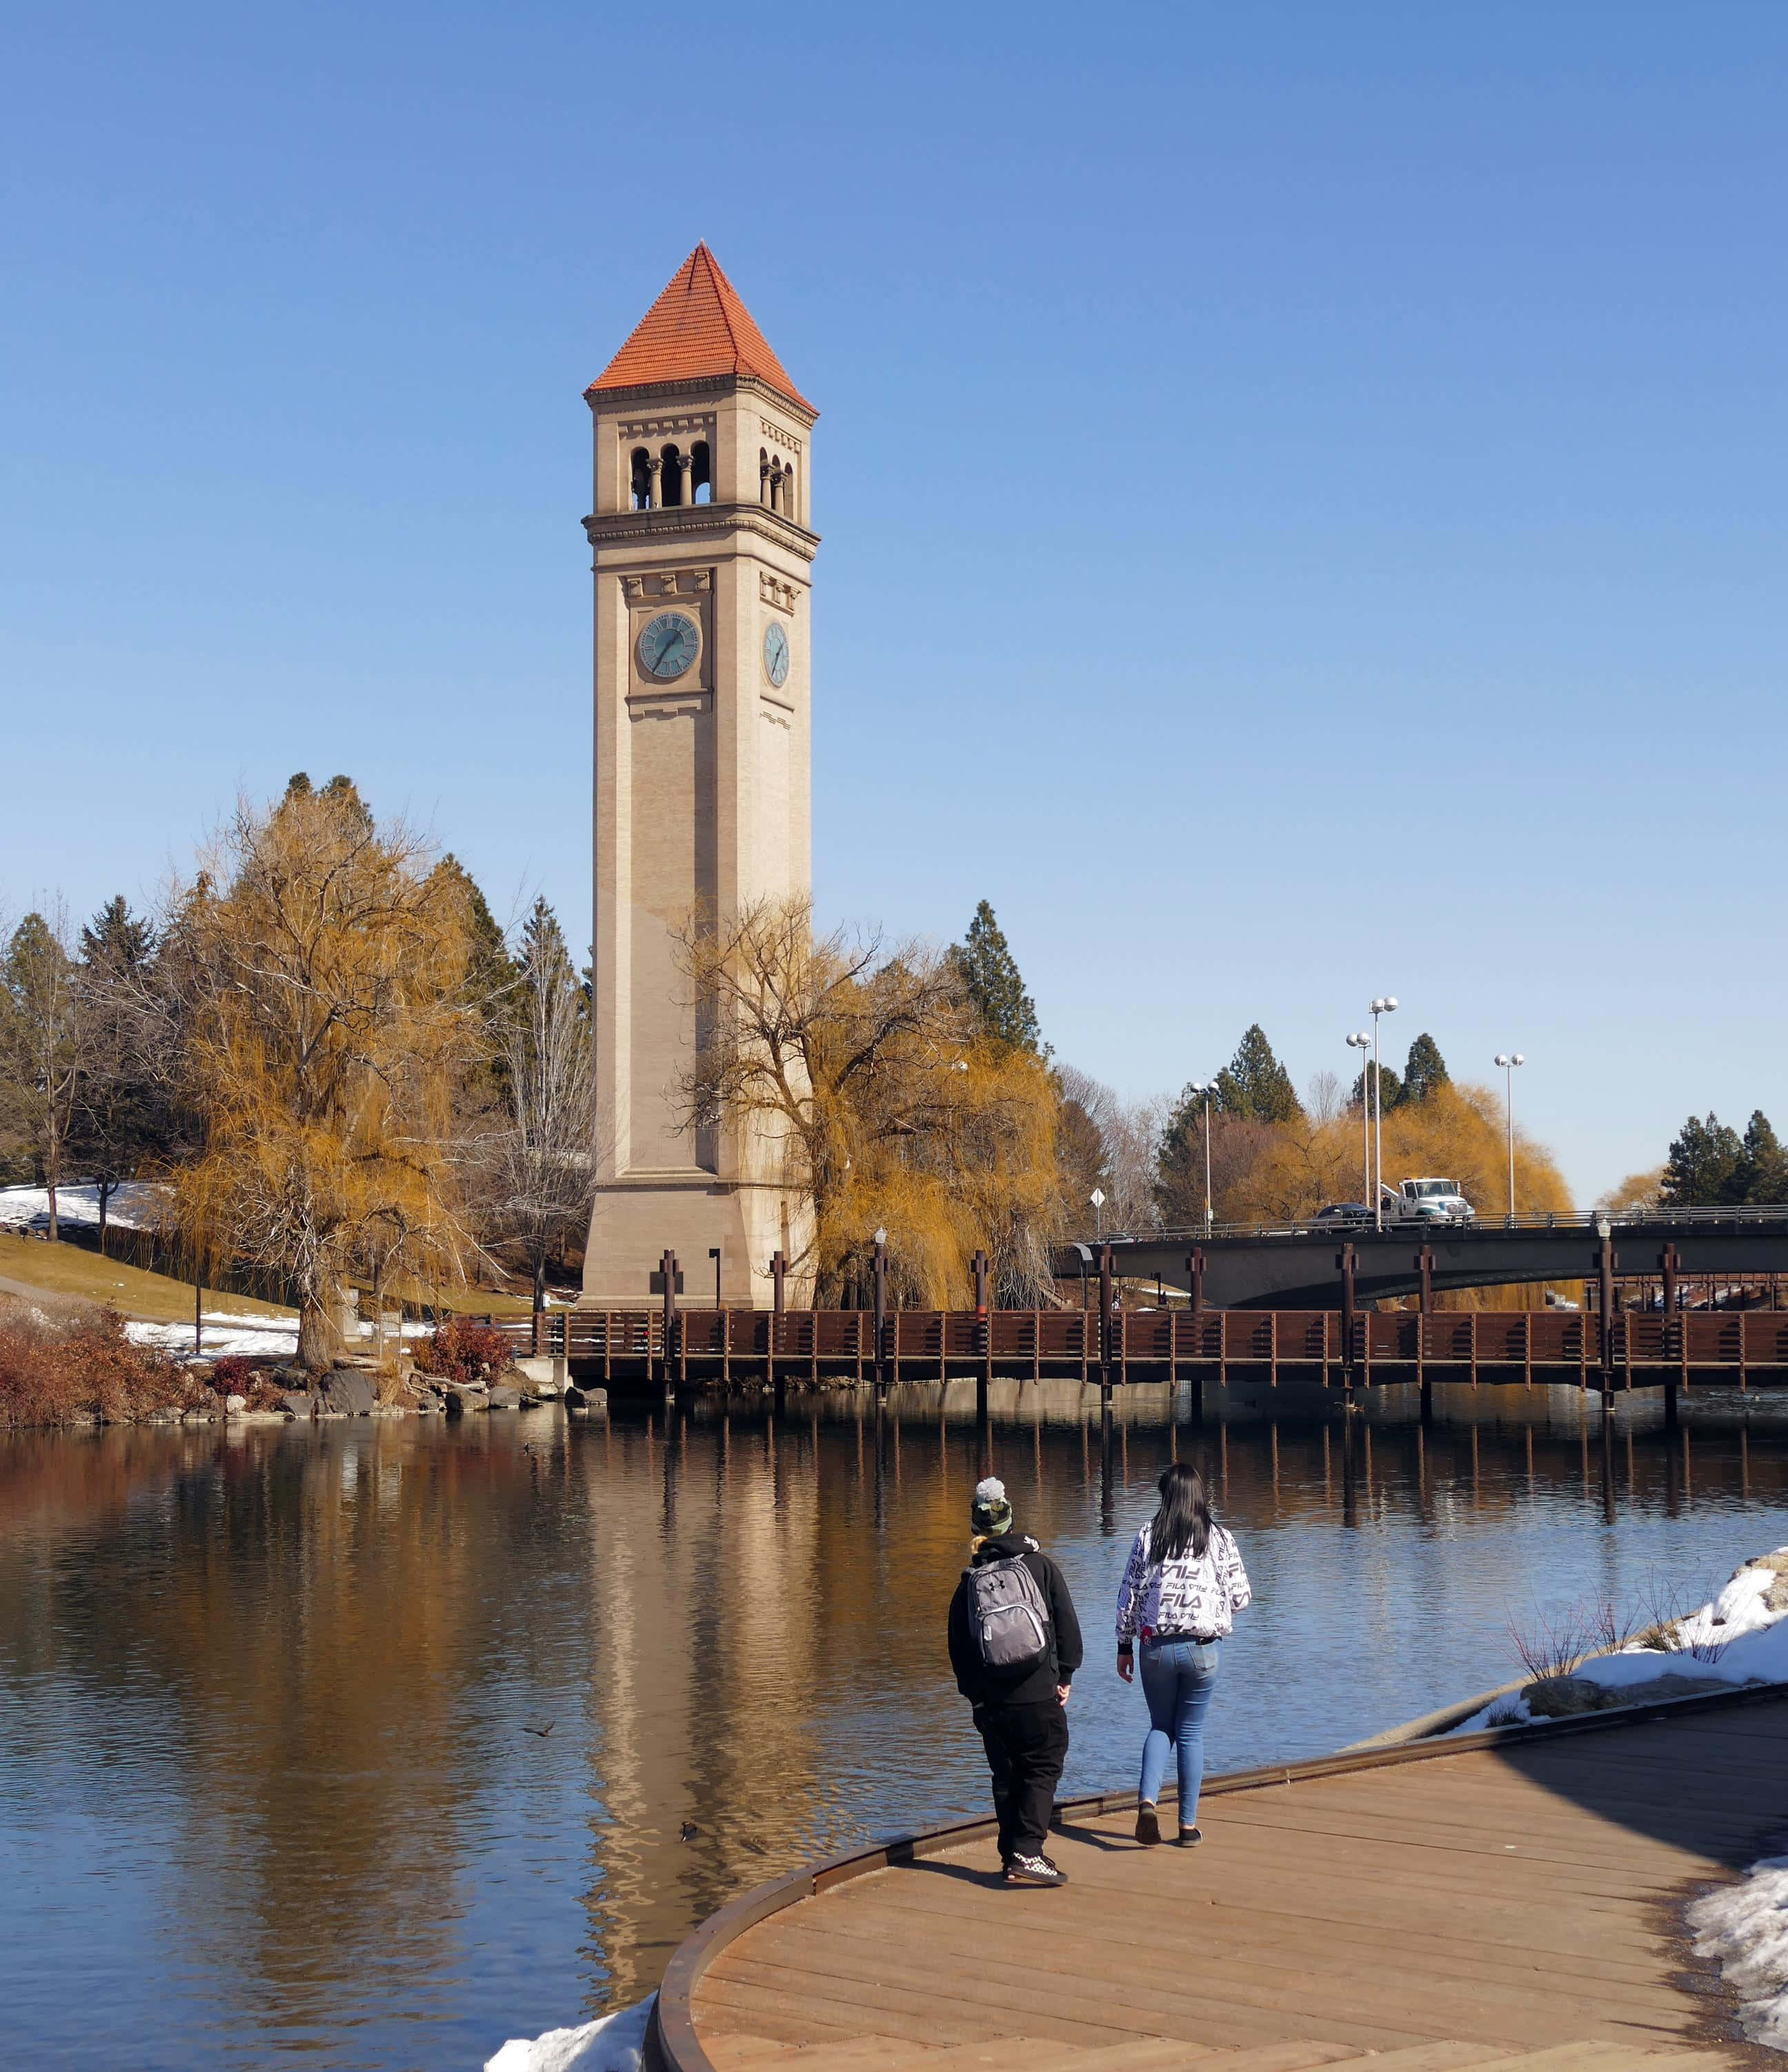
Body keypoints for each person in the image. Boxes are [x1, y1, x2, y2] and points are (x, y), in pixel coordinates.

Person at [946, 1475, 1084, 1886]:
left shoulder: (968, 1585)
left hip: (993, 1703)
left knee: (1006, 1774)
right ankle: (1029, 1850)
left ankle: (1012, 1855)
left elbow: (959, 1650)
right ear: (1010, 1521)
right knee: (1043, 1764)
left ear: (977, 1530)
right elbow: (1067, 1627)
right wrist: (1066, 1674)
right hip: (1039, 1690)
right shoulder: (1040, 1566)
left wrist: (977, 1698)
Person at [1115, 1461, 1251, 1847]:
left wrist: (1124, 1645)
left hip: (1154, 1649)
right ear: (1200, 1495)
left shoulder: (1147, 1536)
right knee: (1190, 1733)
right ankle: (1187, 1828)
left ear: (1166, 1497)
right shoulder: (1220, 1539)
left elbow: (1129, 1597)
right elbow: (1241, 1597)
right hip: (1203, 1651)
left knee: (1161, 1727)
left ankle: (1146, 1802)